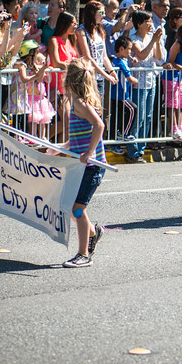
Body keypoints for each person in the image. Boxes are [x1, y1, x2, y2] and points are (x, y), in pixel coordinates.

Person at [59, 58, 107, 268]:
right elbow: (80, 136)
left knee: (77, 208)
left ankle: (83, 254)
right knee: (73, 207)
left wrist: (89, 152)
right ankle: (93, 233)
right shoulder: (77, 102)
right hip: (82, 166)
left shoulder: (79, 103)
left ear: (68, 80)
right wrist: (60, 147)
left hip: (91, 167)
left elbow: (99, 126)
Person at [126, 10, 164, 163]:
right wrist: (153, 40)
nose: (151, 24)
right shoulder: (133, 39)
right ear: (139, 23)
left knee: (148, 116)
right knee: (139, 117)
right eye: (148, 21)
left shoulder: (150, 37)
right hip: (138, 82)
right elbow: (141, 55)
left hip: (151, 81)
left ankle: (141, 149)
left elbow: (159, 57)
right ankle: (132, 150)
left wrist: (156, 41)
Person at [6, 40, 56, 138]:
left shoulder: (29, 65)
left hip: (23, 95)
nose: (37, 55)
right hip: (17, 94)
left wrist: (43, 69)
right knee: (17, 118)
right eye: (35, 53)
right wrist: (36, 76)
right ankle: (16, 136)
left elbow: (39, 77)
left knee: (22, 118)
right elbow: (24, 79)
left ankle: (20, 136)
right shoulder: (21, 64)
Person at [46, 11, 80, 142]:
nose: (75, 25)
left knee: (68, 123)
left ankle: (60, 152)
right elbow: (56, 62)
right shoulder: (54, 40)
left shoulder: (71, 42)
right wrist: (74, 67)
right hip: (58, 87)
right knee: (67, 120)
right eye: (73, 23)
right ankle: (42, 141)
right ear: (65, 24)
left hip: (70, 87)